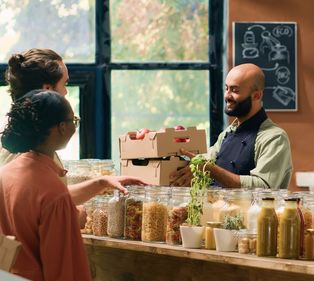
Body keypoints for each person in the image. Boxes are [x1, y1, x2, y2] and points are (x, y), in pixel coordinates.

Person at [1, 48, 145, 207]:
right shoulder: (25, 147)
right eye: (65, 83)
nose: (66, 92)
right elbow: (32, 207)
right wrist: (74, 217)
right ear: (48, 90)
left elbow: (52, 195)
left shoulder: (32, 137)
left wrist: (102, 182)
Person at [0, 90, 92, 280]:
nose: (75, 127)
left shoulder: (5, 174)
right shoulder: (53, 193)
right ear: (61, 127)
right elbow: (62, 267)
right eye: (73, 121)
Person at [170, 63, 292, 189]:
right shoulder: (227, 133)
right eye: (227, 88)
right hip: (220, 208)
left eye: (235, 90)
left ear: (256, 95)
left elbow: (264, 187)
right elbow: (205, 161)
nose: (227, 96)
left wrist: (210, 170)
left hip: (252, 209)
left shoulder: (274, 138)